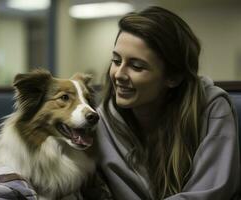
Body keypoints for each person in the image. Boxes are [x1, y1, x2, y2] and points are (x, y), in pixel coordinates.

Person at [92, 6, 241, 200]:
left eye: (136, 66)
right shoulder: (99, 121)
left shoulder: (212, 108)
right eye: (116, 60)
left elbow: (210, 193)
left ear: (173, 76)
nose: (119, 74)